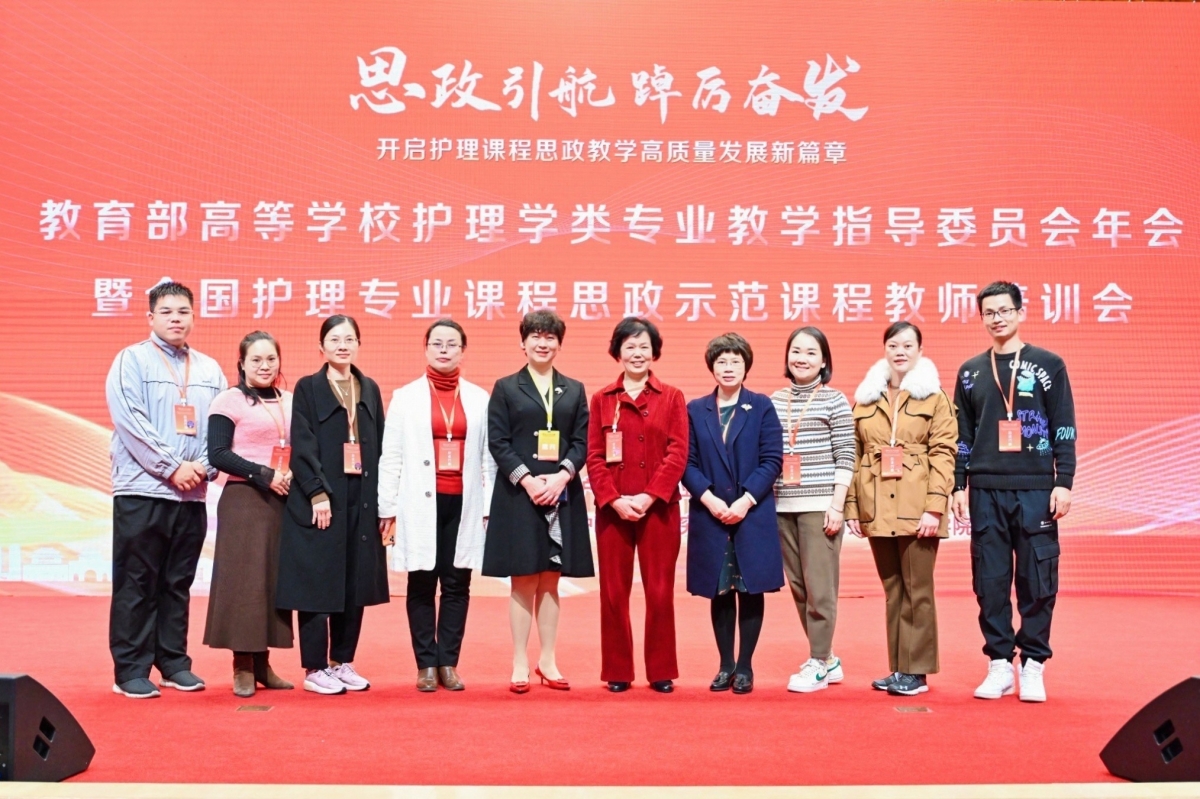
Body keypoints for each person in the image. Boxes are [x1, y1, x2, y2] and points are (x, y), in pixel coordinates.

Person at [951, 281, 1076, 703]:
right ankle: (1000, 664)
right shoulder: (970, 371)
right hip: (986, 490)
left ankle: (1034, 664)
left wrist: (1063, 481)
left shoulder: (1049, 365)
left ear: (1020, 313)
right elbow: (963, 434)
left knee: (1037, 579)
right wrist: (958, 484)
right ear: (981, 318)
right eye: (989, 312)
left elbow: (1063, 427)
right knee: (989, 580)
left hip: (1036, 488)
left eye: (1005, 310)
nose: (997, 318)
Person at [105, 281, 226, 699]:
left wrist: (204, 467)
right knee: (137, 581)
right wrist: (172, 467)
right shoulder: (132, 360)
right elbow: (130, 420)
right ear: (151, 316)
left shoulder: (209, 369)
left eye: (183, 311)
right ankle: (130, 670)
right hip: (143, 490)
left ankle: (173, 663)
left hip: (191, 494)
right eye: (167, 311)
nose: (176, 318)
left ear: (194, 316)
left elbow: (220, 429)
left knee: (177, 582)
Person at [378, 319, 496, 692]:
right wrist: (387, 507)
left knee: (458, 583)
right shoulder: (405, 397)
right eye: (437, 344)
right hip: (418, 503)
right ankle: (426, 664)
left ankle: (449, 663)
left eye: (452, 344)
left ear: (463, 350)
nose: (444, 350)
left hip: (464, 502)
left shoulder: (480, 399)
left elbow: (489, 459)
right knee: (422, 581)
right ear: (426, 348)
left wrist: (490, 506)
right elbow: (390, 456)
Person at [276, 315, 390, 696]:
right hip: (323, 498)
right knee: (317, 581)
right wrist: (316, 492)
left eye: (350, 339)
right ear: (321, 346)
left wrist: (383, 503)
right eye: (335, 339)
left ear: (358, 344)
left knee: (354, 581)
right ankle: (315, 667)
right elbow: (303, 445)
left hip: (362, 498)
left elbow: (381, 446)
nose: (343, 345)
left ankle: (342, 661)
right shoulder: (308, 388)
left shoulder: (369, 388)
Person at [483, 310, 593, 694]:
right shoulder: (506, 387)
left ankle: (548, 659)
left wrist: (562, 476)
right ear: (523, 342)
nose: (542, 343)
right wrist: (529, 481)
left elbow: (581, 442)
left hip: (562, 493)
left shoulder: (574, 389)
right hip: (519, 495)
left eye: (550, 337)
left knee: (551, 578)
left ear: (559, 344)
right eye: (535, 336)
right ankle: (519, 661)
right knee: (523, 578)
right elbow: (498, 442)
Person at [845, 322, 957, 697]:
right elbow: (854, 456)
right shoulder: (866, 399)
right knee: (894, 590)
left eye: (908, 345)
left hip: (917, 508)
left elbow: (944, 454)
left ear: (920, 351)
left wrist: (935, 508)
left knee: (917, 591)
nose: (900, 352)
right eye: (893, 345)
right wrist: (853, 508)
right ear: (885, 349)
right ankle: (899, 668)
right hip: (877, 508)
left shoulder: (935, 398)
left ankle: (917, 672)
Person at [586, 318, 689, 694]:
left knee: (659, 591)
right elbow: (594, 456)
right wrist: (613, 500)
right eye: (629, 346)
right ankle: (618, 670)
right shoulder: (602, 398)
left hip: (658, 508)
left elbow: (678, 452)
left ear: (654, 351)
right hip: (613, 510)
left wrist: (649, 496)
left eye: (644, 346)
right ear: (618, 351)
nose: (637, 353)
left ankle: (661, 670)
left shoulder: (672, 397)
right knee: (613, 592)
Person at [683, 333, 784, 695]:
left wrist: (745, 501)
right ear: (711, 367)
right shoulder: (696, 409)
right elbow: (686, 462)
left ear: (746, 366)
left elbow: (772, 460)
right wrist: (709, 499)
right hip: (711, 513)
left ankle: (745, 666)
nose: (728, 368)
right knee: (720, 589)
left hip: (751, 513)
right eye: (721, 361)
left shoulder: (761, 406)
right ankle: (725, 664)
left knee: (749, 588)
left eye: (735, 361)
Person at [204, 331, 296, 697]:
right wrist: (262, 474)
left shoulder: (290, 400)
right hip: (244, 499)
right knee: (244, 583)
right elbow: (218, 453)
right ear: (242, 363)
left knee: (272, 582)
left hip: (282, 500)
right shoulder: (229, 400)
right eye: (256, 359)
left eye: (271, 359)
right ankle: (242, 664)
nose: (264, 366)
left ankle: (263, 664)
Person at [769, 326, 856, 693]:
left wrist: (837, 504)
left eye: (810, 353)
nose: (801, 359)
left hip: (820, 507)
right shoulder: (774, 401)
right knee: (799, 587)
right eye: (796, 351)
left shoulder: (835, 400)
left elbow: (847, 454)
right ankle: (828, 658)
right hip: (781, 506)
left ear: (823, 361)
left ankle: (818, 662)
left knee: (820, 589)